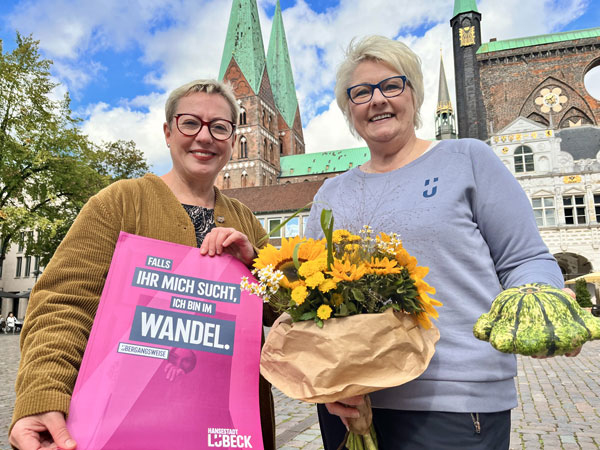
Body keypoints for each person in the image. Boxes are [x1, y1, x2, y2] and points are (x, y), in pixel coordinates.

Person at [304, 35, 579, 450]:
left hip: (454, 398)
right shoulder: (331, 193)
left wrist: (539, 303)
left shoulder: (467, 159)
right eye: (360, 92)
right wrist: (326, 382)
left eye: (391, 86)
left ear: (413, 94)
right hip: (351, 401)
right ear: (348, 110)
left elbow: (524, 258)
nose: (377, 100)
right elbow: (308, 294)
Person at [9, 79, 276, 450]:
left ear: (233, 139)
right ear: (168, 133)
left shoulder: (244, 219)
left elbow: (282, 310)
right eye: (190, 123)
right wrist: (44, 393)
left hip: (227, 427)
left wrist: (258, 264)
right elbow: (63, 303)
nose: (205, 137)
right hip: (130, 422)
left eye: (219, 127)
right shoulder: (119, 202)